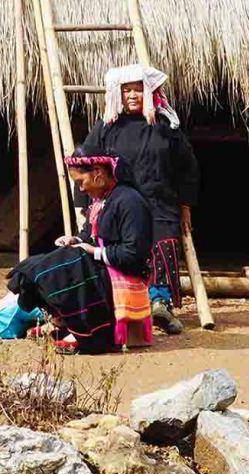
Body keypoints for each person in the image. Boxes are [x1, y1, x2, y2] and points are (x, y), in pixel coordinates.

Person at [77, 63, 200, 334]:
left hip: (159, 202)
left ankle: (159, 302)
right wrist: (84, 205)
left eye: (138, 90)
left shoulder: (165, 125)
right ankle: (117, 301)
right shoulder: (107, 127)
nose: (132, 96)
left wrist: (185, 205)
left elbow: (187, 166)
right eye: (127, 91)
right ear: (119, 95)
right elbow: (83, 161)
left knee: (162, 240)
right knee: (122, 244)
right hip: (119, 203)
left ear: (148, 92)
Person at [7, 151, 154, 353]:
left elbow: (134, 253)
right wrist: (75, 240)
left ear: (97, 173)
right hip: (102, 268)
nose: (81, 188)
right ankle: (64, 322)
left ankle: (87, 333)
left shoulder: (130, 201)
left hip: (122, 274)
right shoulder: (101, 201)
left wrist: (92, 251)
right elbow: (88, 234)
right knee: (33, 267)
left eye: (81, 181)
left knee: (63, 269)